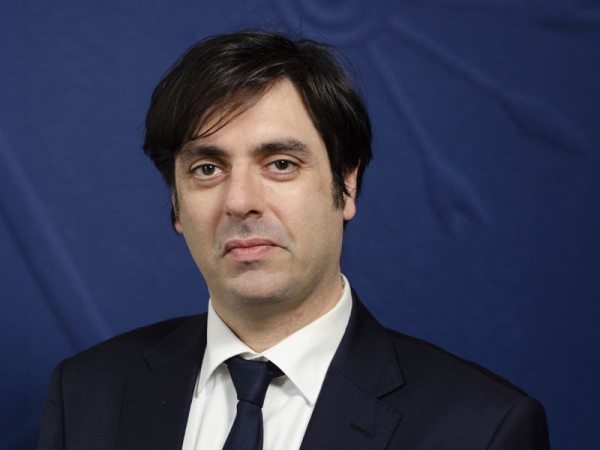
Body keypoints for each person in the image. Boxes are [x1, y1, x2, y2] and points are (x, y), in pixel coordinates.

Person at [37, 30, 550, 449]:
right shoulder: (87, 393)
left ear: (346, 184)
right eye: (208, 168)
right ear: (175, 200)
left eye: (280, 164)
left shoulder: (481, 427)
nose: (240, 201)